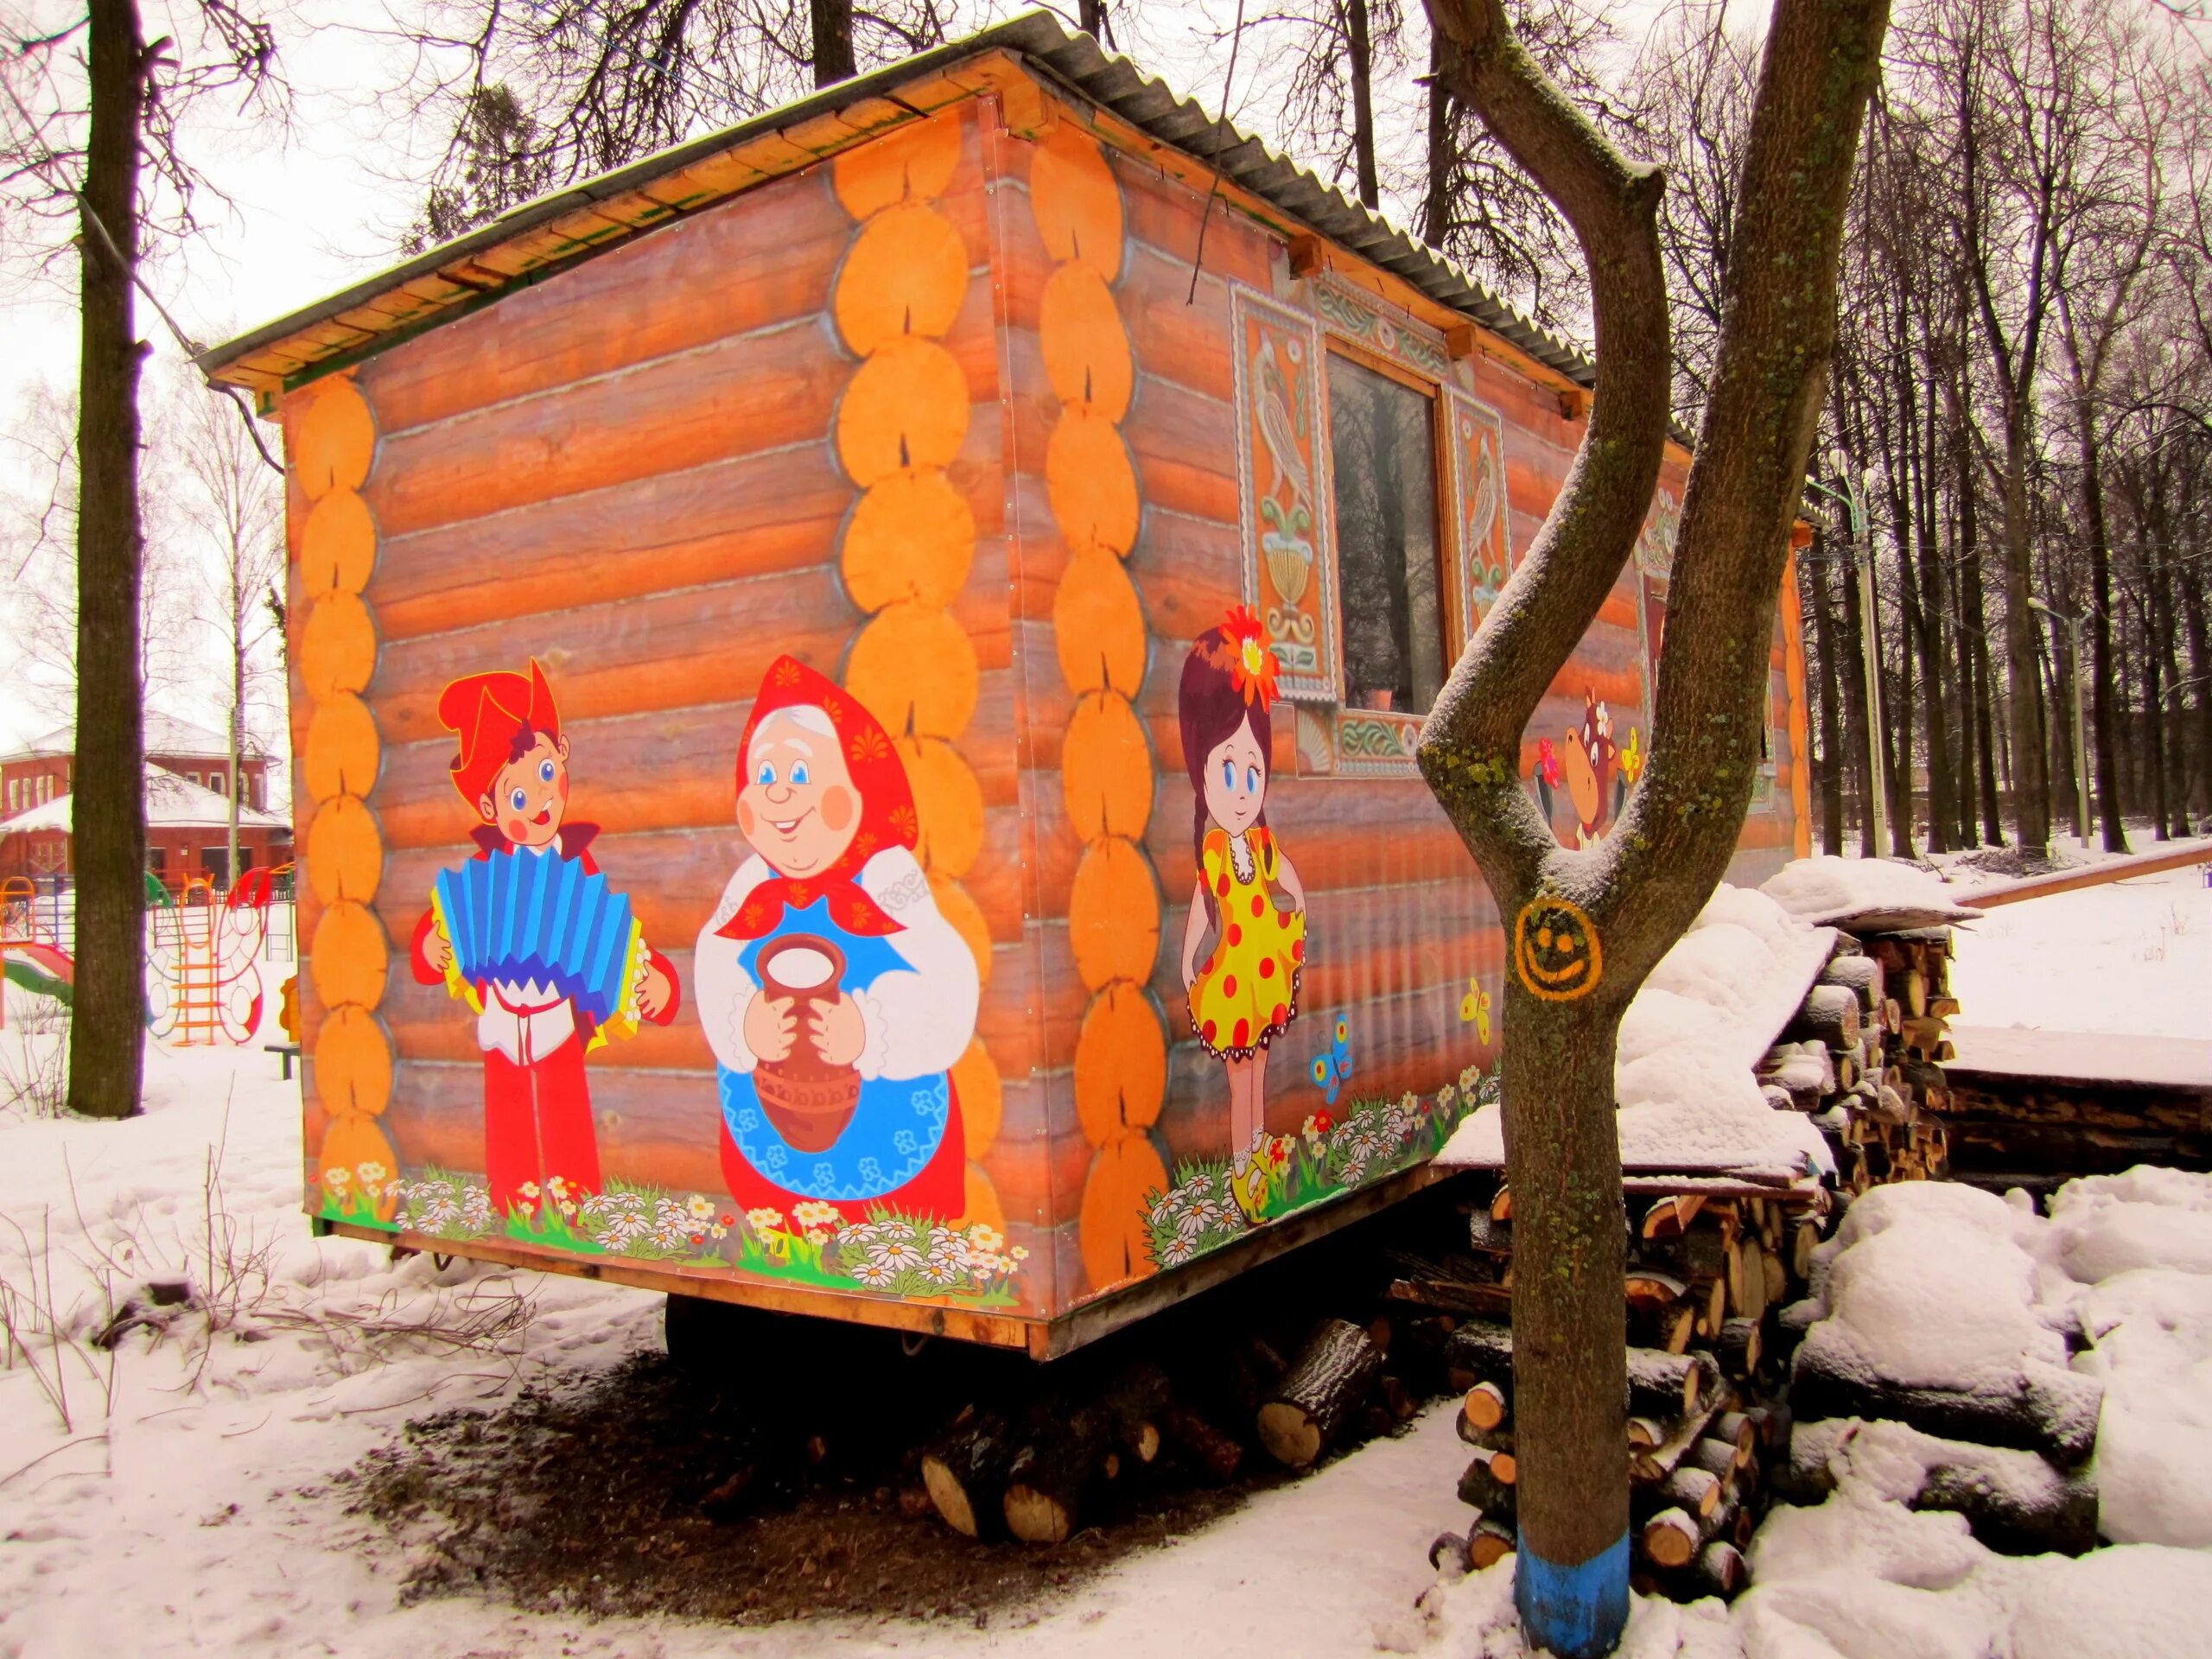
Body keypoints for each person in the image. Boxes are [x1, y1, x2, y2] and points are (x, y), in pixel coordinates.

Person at [694, 657, 980, 1223]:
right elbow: (715, 959)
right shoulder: (753, 883)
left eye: (798, 775)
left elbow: (948, 978)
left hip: (889, 1126)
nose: (778, 796)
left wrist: (871, 1029)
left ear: (852, 793)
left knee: (893, 1239)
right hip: (772, 1120)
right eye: (765, 778)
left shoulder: (887, 879)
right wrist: (742, 1021)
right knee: (783, 1235)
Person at [411, 660, 678, 1219]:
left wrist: (659, 985)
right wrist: (429, 952)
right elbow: (442, 927)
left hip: (557, 1019)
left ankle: (576, 1208)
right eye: (517, 796)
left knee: (566, 1112)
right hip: (502, 1017)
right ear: (487, 808)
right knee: (506, 1115)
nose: (540, 802)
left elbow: (616, 938)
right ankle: (512, 1204)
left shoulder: (578, 866)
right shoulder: (482, 875)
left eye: (548, 776)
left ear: (565, 757)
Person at [1176, 607, 1308, 1223]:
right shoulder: (1214, 852)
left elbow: (1282, 872)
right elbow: (1204, 907)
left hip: (1263, 967)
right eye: (1229, 768)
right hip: (1234, 979)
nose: (1242, 787)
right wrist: (1186, 958)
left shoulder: (1257, 843)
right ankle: (1242, 1164)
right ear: (1202, 768)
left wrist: (1299, 899)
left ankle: (1258, 1153)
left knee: (1258, 1069)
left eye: (1252, 770)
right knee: (1240, 1074)